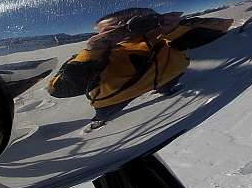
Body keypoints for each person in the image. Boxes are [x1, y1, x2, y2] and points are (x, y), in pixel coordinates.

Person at [47, 7, 232, 132]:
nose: (130, 29)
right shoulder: (100, 52)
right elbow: (58, 89)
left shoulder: (167, 33)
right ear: (101, 33)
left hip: (168, 76)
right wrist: (92, 52)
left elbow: (221, 28)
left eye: (137, 21)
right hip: (116, 96)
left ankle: (165, 90)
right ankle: (101, 119)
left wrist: (175, 30)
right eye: (116, 27)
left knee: (168, 85)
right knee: (105, 111)